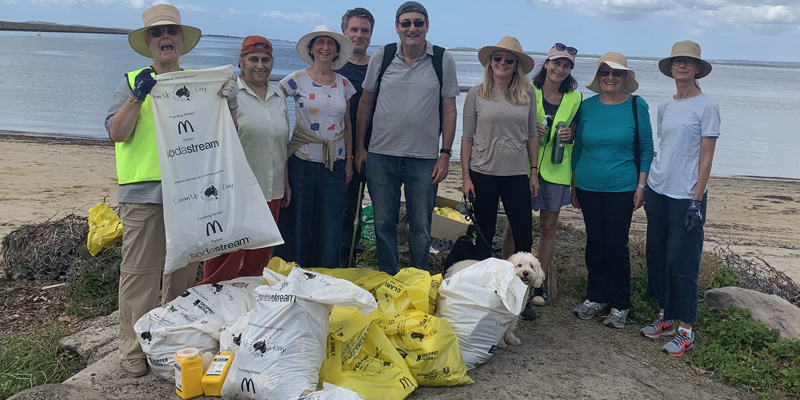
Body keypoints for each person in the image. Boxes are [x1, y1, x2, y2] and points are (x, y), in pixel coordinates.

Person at [105, 4, 236, 377]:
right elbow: (116, 133)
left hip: (191, 191)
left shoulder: (198, 82)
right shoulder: (132, 80)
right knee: (140, 273)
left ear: (182, 40)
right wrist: (137, 97)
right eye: (158, 33)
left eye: (171, 32)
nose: (166, 38)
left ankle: (169, 340)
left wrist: (228, 99)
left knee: (181, 272)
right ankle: (132, 348)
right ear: (148, 42)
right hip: (142, 194)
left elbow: (224, 132)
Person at [355, 1, 459, 274]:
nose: (412, 28)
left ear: (426, 26)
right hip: (380, 155)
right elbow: (366, 103)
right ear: (397, 27)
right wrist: (360, 148)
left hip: (424, 158)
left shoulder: (442, 58)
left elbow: (449, 109)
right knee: (383, 224)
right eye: (406, 23)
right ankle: (388, 278)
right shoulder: (383, 55)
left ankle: (418, 278)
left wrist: (446, 154)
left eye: (418, 23)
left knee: (422, 227)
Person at [639, 40, 719, 356]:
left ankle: (686, 329)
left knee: (682, 262)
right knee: (657, 256)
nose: (682, 66)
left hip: (687, 195)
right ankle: (665, 317)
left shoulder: (707, 106)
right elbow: (666, 147)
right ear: (671, 68)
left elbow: (706, 158)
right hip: (659, 190)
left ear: (698, 68)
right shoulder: (665, 106)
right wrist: (647, 185)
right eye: (677, 61)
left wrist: (697, 200)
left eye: (688, 61)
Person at [198, 36, 290, 284]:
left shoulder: (278, 96)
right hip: (235, 191)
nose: (260, 65)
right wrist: (229, 107)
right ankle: (211, 299)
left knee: (258, 256)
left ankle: (247, 304)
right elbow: (215, 138)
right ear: (241, 62)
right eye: (253, 59)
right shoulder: (227, 93)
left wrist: (286, 182)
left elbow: (280, 144)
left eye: (266, 60)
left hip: (272, 190)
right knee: (224, 255)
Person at [571, 51, 654, 329]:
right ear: (598, 77)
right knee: (594, 242)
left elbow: (646, 149)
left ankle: (620, 304)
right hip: (587, 184)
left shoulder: (636, 105)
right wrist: (573, 182)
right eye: (605, 73)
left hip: (622, 186)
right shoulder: (587, 106)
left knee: (616, 244)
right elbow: (578, 147)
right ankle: (596, 297)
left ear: (624, 77)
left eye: (616, 73)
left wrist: (641, 185)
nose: (610, 77)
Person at [501, 42, 582, 314]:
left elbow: (575, 131)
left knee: (548, 228)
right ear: (545, 64)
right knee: (514, 225)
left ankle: (538, 283)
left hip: (557, 170)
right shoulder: (526, 90)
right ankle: (506, 276)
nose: (560, 69)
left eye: (566, 65)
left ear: (570, 70)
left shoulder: (575, 98)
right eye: (556, 62)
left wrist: (570, 135)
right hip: (523, 166)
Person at [272, 25, 356, 268]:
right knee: (298, 219)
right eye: (320, 42)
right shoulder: (296, 79)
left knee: (330, 221)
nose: (325, 48)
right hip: (302, 159)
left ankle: (325, 273)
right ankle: (292, 272)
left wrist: (349, 160)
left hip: (335, 161)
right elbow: (270, 101)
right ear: (311, 48)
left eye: (331, 44)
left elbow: (347, 124)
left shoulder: (344, 83)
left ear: (337, 51)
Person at [461, 36, 538, 262]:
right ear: (490, 62)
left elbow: (532, 134)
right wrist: (466, 178)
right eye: (498, 57)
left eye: (509, 59)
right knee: (483, 234)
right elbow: (466, 138)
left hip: (516, 174)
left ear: (516, 66)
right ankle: (480, 285)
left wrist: (533, 172)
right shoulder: (476, 94)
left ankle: (518, 288)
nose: (502, 62)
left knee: (524, 236)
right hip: (482, 172)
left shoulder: (528, 93)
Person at [336, 7, 375, 267]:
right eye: (354, 30)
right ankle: (330, 253)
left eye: (365, 31)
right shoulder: (332, 65)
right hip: (334, 146)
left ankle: (349, 255)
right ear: (344, 32)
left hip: (370, 147)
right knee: (334, 204)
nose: (359, 35)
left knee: (353, 205)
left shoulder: (376, 68)